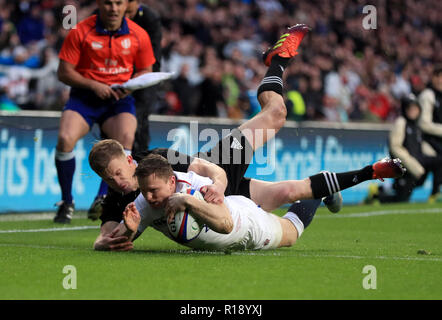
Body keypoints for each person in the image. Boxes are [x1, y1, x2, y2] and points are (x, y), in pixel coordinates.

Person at [88, 24, 320, 250]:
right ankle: (323, 191)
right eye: (109, 179)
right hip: (223, 202)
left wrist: (218, 184)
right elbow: (107, 235)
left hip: (219, 167)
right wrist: (102, 242)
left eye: (118, 173)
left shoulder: (154, 159)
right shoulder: (117, 197)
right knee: (290, 195)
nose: (117, 182)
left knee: (276, 114)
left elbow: (200, 167)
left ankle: (277, 60)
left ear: (129, 160)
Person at [120, 152, 405, 252]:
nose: (148, 197)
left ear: (171, 182)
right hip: (232, 197)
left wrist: (191, 200)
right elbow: (114, 239)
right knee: (289, 190)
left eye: (153, 190)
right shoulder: (145, 200)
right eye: (144, 191)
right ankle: (325, 187)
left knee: (292, 231)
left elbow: (225, 222)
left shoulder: (192, 185)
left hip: (244, 222)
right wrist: (128, 232)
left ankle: (367, 173)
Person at [53, 0, 156, 224]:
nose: (113, 8)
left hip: (118, 101)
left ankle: (103, 198)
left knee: (127, 137)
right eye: (108, 3)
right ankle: (66, 202)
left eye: (118, 3)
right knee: (64, 139)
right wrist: (93, 85)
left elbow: (146, 70)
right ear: (100, 3)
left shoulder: (139, 34)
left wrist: (128, 86)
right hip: (83, 98)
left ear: (125, 5)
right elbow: (63, 72)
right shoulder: (80, 31)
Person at [87, 0, 163, 220]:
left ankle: (137, 192)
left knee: (135, 133)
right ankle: (109, 196)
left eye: (121, 3)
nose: (116, 9)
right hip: (113, 85)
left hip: (142, 83)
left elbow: (153, 61)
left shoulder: (149, 19)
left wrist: (133, 83)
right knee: (110, 141)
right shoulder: (100, 15)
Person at [366, 95, 442, 203]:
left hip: (418, 161)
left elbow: (421, 145)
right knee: (401, 199)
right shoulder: (401, 122)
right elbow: (395, 148)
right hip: (405, 167)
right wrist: (414, 166)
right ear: (405, 109)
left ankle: (435, 194)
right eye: (410, 108)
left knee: (439, 161)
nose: (413, 111)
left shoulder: (416, 125)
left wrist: (430, 155)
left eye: (415, 108)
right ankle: (376, 195)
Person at [418, 66, 442, 156]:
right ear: (433, 78)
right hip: (428, 141)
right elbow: (424, 125)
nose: (441, 81)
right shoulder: (428, 95)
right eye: (439, 77)